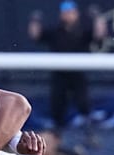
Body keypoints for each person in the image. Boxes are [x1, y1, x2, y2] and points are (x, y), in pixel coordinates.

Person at [28, 1, 105, 139]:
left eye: (70, 12)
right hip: (60, 74)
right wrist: (35, 20)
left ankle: (90, 134)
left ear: (76, 14)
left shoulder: (83, 30)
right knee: (57, 105)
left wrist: (98, 17)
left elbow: (99, 35)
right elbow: (36, 35)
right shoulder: (56, 31)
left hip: (78, 73)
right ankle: (57, 136)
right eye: (65, 13)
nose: (68, 15)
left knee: (83, 103)